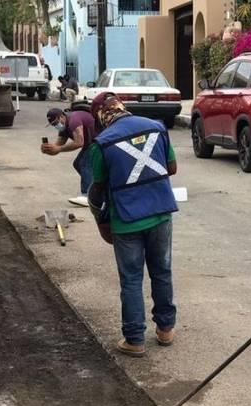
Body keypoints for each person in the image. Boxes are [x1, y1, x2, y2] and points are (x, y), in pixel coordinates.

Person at [87, 92, 178, 358]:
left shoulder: (102, 144)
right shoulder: (156, 127)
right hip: (161, 212)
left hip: (126, 220)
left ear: (101, 117)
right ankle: (165, 329)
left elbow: (99, 189)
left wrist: (100, 221)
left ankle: (135, 339)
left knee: (131, 279)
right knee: (162, 271)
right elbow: (171, 168)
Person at [41, 107, 96, 206]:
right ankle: (97, 190)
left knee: (84, 163)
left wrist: (58, 149)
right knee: (78, 164)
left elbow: (79, 142)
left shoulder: (74, 121)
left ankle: (87, 196)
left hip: (99, 140)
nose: (56, 126)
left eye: (56, 123)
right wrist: (48, 149)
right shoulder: (63, 127)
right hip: (90, 144)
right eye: (53, 125)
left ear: (62, 116)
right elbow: (58, 146)